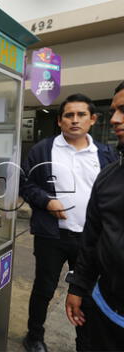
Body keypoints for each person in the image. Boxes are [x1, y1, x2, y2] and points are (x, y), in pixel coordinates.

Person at [19, 93, 117, 352]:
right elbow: (25, 184)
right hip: (52, 236)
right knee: (43, 289)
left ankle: (84, 342)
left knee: (86, 293)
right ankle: (34, 336)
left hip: (90, 239)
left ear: (93, 120)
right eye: (69, 115)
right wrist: (46, 201)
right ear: (60, 121)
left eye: (81, 115)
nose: (75, 120)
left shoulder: (106, 154)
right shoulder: (43, 149)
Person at [65, 82, 124, 351]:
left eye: (123, 110)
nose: (115, 119)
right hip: (107, 310)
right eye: (114, 111)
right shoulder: (111, 175)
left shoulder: (103, 153)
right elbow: (93, 238)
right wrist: (78, 286)